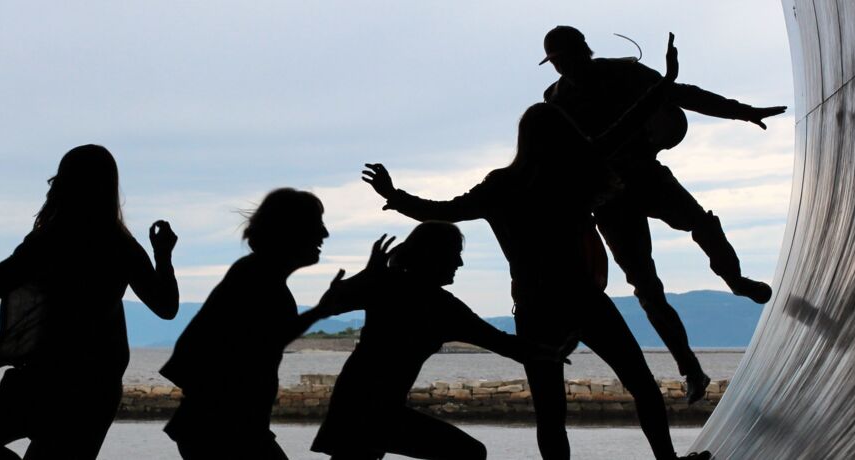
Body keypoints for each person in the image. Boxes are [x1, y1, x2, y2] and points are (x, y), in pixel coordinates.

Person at [364, 35, 708, 460]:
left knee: (550, 412)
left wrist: (395, 195)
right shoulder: (576, 176)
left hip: (534, 307)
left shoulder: (500, 187)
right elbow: (627, 126)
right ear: (565, 135)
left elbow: (442, 211)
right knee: (641, 385)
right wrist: (665, 82)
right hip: (584, 298)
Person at [540, 25, 787, 402]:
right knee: (647, 289)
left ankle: (735, 280)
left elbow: (681, 94)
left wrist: (742, 112)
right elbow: (561, 159)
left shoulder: (624, 72)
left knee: (702, 224)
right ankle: (691, 370)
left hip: (646, 176)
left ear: (584, 50)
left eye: (566, 58)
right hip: (607, 201)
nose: (562, 68)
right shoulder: (554, 99)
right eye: (556, 62)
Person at [0, 145, 179, 459]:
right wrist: (163, 256)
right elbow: (166, 306)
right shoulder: (120, 245)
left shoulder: (50, 240)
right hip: (95, 389)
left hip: (44, 378)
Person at [310, 225, 559, 460]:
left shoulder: (392, 285)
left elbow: (329, 304)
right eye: (455, 254)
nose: (459, 263)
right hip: (373, 410)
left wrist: (366, 276)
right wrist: (549, 352)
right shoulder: (440, 305)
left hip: (358, 403)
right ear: (433, 254)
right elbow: (505, 344)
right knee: (468, 452)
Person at [161, 188, 349, 460]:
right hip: (225, 429)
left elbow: (266, 340)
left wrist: (320, 311)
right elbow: (265, 342)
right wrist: (319, 312)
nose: (324, 234)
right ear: (291, 231)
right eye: (316, 225)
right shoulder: (258, 279)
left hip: (220, 427)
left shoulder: (255, 274)